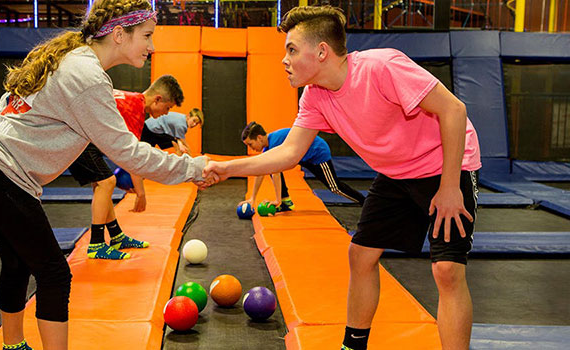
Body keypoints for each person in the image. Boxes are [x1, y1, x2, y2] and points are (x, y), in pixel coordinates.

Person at [203, 6, 480, 350]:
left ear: (321, 52)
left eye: (291, 49)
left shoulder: (382, 66)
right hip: (397, 173)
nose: (284, 60)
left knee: (447, 271)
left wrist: (451, 186)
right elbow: (288, 154)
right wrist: (225, 167)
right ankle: (353, 345)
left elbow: (454, 110)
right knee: (360, 255)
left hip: (447, 164)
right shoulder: (315, 96)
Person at [0, 1, 208, 349]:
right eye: (147, 36)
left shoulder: (76, 57)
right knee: (55, 273)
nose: (151, 47)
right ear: (120, 34)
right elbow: (128, 153)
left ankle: (13, 345)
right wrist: (192, 168)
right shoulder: (88, 76)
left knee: (17, 262)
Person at [67, 75, 185, 260]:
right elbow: (131, 158)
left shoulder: (131, 99)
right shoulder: (134, 109)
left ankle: (116, 236)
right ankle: (97, 244)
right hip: (75, 137)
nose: (166, 113)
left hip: (81, 136)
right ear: (158, 99)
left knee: (102, 184)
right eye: (167, 108)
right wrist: (141, 193)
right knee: (107, 182)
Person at [238, 122, 364, 212]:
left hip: (317, 153)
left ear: (259, 138)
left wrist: (276, 200)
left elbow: (275, 172)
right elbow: (261, 171)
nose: (251, 148)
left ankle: (364, 202)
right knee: (268, 166)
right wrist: (252, 199)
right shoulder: (268, 147)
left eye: (250, 143)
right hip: (304, 156)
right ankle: (286, 202)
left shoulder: (275, 142)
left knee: (335, 187)